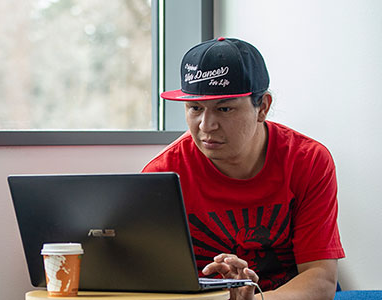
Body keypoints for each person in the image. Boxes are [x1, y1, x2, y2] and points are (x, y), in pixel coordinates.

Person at [142, 37, 345, 300]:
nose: (206, 125)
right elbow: (151, 281)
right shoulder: (162, 175)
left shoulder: (308, 161)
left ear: (262, 107)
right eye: (195, 108)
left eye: (224, 108)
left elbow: (321, 279)